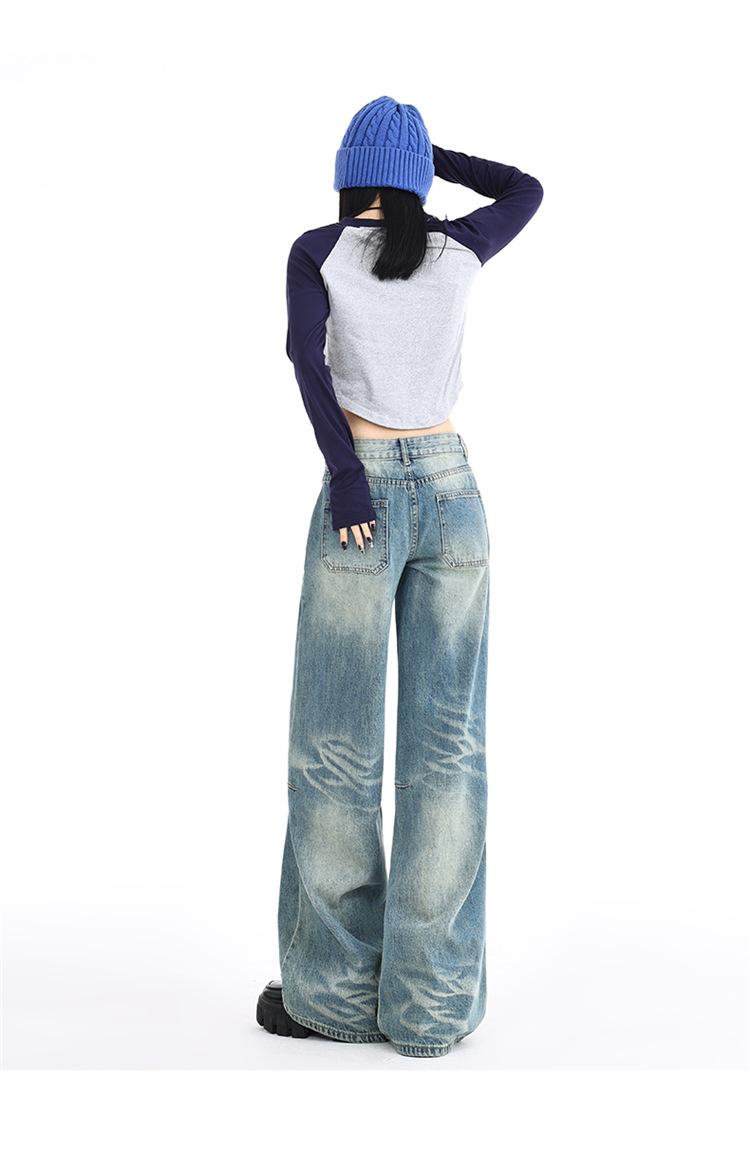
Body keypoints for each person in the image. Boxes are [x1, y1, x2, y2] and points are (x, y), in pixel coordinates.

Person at [257, 95, 543, 1058]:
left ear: (348, 176)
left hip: (363, 494)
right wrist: (427, 162)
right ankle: (430, 1003)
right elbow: (525, 188)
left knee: (334, 743)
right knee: (449, 749)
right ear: (417, 177)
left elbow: (305, 359)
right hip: (456, 492)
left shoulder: (318, 251)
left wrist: (346, 476)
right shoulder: (459, 246)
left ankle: (336, 996)